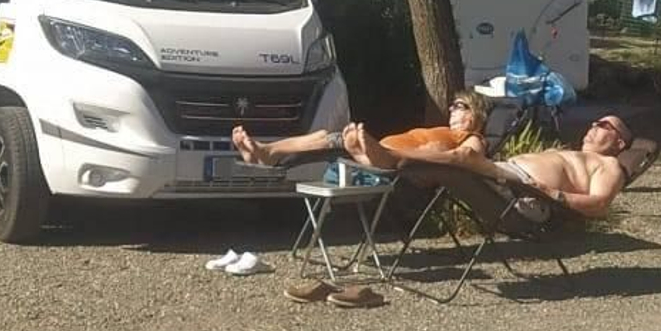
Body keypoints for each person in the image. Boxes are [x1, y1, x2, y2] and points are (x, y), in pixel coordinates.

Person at [375, 112, 639, 220]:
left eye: (605, 125)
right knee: (440, 155)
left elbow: (600, 203)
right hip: (507, 179)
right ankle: (383, 159)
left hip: (526, 195)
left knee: (464, 158)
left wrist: (553, 194)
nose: (594, 126)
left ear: (619, 142)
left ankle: (388, 157)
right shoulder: (569, 152)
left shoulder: (609, 165)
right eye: (594, 122)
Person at [231, 89, 489, 170]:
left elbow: (467, 157)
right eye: (452, 106)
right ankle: (267, 152)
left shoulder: (471, 137)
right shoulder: (443, 129)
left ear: (475, 115)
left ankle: (269, 153)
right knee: (328, 137)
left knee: (337, 139)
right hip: (384, 151)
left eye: (461, 106)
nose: (453, 110)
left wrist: (415, 154)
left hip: (396, 161)